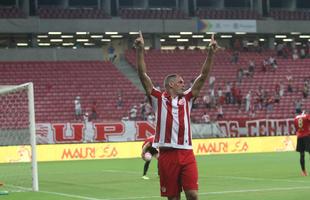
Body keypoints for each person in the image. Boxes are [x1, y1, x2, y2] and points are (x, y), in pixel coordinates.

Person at [135, 31, 219, 200]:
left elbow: (203, 77)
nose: (184, 84)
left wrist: (210, 53)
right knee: (173, 198)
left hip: (187, 153)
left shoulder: (187, 98)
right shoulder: (158, 98)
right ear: (171, 84)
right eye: (180, 82)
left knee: (193, 194)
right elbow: (143, 76)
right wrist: (140, 50)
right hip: (167, 154)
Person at [293, 110, 310, 176]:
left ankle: (303, 172)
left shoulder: (295, 118)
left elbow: (296, 128)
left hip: (300, 137)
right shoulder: (306, 116)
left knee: (302, 154)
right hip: (307, 136)